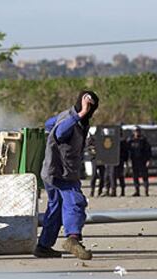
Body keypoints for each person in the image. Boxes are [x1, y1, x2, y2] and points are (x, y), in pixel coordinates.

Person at [33, 91, 99, 260]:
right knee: (75, 202)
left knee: (55, 209)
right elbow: (60, 132)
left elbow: (49, 124)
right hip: (61, 173)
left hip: (54, 172)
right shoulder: (73, 119)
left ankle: (43, 246)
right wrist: (82, 113)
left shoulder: (73, 119)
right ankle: (73, 238)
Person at [127, 126, 151, 197]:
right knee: (135, 177)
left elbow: (148, 151)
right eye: (135, 131)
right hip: (134, 161)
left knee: (145, 176)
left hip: (142, 161)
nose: (136, 132)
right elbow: (128, 151)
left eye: (138, 131)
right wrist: (128, 160)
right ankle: (137, 191)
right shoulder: (130, 140)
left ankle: (146, 191)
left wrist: (148, 160)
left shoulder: (143, 140)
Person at [114, 133, 128, 197]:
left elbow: (126, 151)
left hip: (120, 160)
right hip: (113, 161)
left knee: (120, 176)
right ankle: (113, 191)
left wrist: (125, 160)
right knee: (113, 176)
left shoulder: (122, 141)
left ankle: (122, 191)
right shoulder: (113, 140)